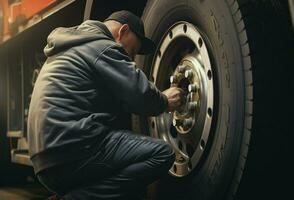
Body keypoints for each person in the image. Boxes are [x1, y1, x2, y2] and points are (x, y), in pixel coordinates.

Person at [27, 10, 183, 200]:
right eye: (132, 51)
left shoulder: (74, 44)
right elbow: (138, 95)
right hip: (71, 152)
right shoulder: (103, 46)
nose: (131, 60)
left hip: (45, 163)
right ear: (123, 31)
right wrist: (165, 101)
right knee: (162, 153)